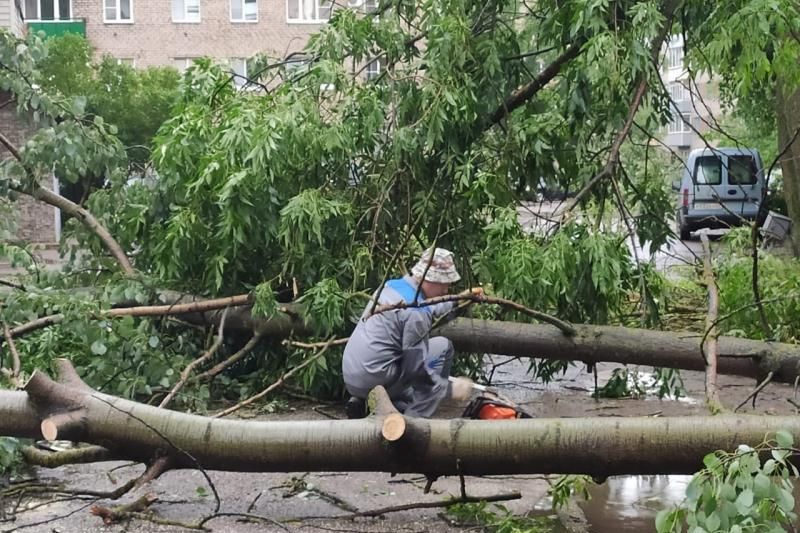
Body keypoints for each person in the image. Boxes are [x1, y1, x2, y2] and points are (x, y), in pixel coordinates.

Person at [342, 247, 479, 419]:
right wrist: (448, 388)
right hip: (376, 380)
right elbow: (415, 370)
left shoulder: (392, 286)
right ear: (430, 279)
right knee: (431, 384)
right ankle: (413, 421)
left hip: (353, 376)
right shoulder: (416, 314)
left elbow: (429, 308)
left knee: (443, 345)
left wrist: (457, 302)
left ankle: (383, 403)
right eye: (445, 284)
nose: (446, 290)